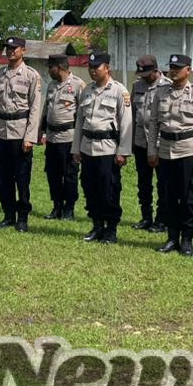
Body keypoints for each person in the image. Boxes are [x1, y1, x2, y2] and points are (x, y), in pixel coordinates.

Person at [147, 54, 193, 257]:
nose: (173, 71)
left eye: (178, 67)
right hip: (165, 151)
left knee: (188, 198)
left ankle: (187, 239)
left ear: (188, 70)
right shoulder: (161, 93)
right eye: (171, 67)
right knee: (168, 196)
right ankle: (172, 237)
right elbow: (154, 123)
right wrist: (152, 151)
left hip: (187, 151)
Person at [0, 36, 42, 233]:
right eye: (8, 48)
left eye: (14, 48)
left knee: (22, 178)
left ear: (23, 50)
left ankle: (22, 217)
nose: (10, 51)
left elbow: (35, 108)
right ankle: (8, 215)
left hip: (20, 132)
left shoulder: (31, 75)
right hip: (2, 131)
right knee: (3, 176)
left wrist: (30, 137)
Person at [72, 51, 132, 244]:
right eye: (90, 68)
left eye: (96, 67)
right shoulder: (86, 91)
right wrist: (76, 148)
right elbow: (80, 121)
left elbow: (126, 123)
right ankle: (97, 226)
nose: (92, 71)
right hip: (88, 148)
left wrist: (123, 151)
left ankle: (111, 229)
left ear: (107, 68)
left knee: (109, 190)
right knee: (90, 189)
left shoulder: (119, 91)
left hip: (108, 149)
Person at [40, 53, 84, 220]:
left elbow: (82, 113)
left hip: (69, 138)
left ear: (59, 68)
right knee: (53, 173)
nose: (49, 71)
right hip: (52, 137)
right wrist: (41, 131)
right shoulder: (51, 85)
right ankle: (56, 206)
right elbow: (46, 109)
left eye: (50, 67)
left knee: (70, 175)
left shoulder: (78, 85)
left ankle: (69, 208)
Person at [130, 56, 170, 232]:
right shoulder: (137, 86)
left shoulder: (167, 86)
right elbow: (132, 115)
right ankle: (146, 216)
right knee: (143, 183)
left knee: (163, 184)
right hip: (140, 142)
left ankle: (162, 220)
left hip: (161, 143)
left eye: (147, 73)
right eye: (141, 74)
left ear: (156, 70)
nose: (144, 77)